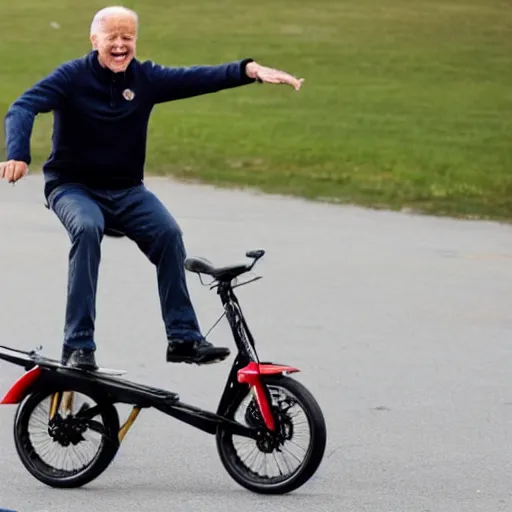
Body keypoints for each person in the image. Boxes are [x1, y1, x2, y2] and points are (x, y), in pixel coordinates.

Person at [0, 6, 304, 371]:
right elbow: (23, 106)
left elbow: (196, 77)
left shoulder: (145, 78)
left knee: (168, 233)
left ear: (135, 41)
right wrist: (18, 153)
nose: (119, 44)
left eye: (127, 37)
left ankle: (183, 337)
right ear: (94, 40)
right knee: (86, 227)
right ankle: (78, 345)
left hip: (127, 191)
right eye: (111, 37)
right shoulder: (72, 76)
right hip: (73, 187)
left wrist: (247, 70)